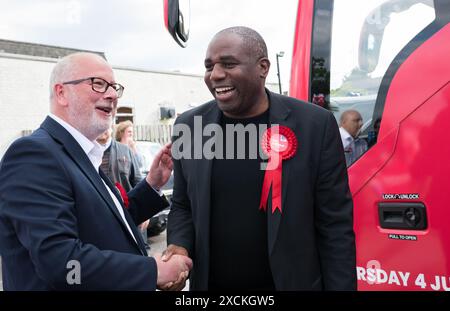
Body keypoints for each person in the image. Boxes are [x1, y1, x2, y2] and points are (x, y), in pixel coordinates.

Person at [163, 26, 356, 290]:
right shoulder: (190, 126)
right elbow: (183, 205)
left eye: (228, 64)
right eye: (209, 66)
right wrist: (179, 247)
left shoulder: (315, 125)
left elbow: (334, 226)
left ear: (263, 67)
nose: (216, 75)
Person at [0, 52, 192, 290]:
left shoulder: (81, 153)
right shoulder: (34, 154)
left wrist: (152, 184)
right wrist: (152, 271)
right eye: (98, 84)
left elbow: (107, 225)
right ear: (62, 93)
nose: (112, 94)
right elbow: (60, 261)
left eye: (114, 87)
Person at [97, 127, 152, 250]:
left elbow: (138, 181)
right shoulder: (87, 153)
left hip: (130, 217)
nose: (102, 128)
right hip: (102, 222)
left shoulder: (125, 150)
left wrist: (145, 212)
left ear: (112, 126)